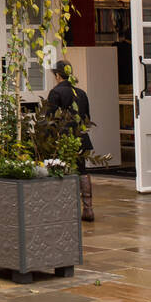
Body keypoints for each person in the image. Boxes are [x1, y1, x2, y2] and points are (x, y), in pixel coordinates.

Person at [47, 60, 95, 222]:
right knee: (82, 170)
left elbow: (50, 119)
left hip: (63, 138)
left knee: (60, 171)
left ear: (58, 75)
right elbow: (87, 118)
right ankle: (88, 208)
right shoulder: (81, 93)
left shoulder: (56, 93)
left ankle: (63, 209)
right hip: (81, 137)